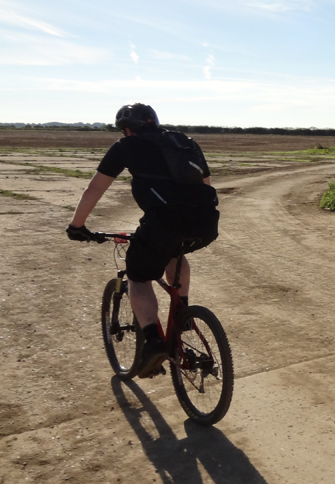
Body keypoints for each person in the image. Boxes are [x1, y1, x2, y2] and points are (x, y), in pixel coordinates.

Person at [67, 103, 220, 378]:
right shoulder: (184, 142)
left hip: (163, 222)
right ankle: (182, 314)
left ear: (127, 129)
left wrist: (77, 225)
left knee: (138, 277)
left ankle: (152, 341)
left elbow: (95, 188)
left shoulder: (126, 146)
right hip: (206, 222)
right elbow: (205, 182)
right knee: (174, 252)